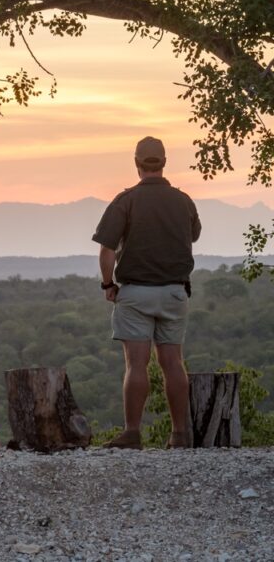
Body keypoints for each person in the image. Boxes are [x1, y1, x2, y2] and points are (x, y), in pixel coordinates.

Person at [93, 136, 201, 449]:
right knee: (173, 363)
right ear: (164, 162)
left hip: (136, 293)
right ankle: (179, 434)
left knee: (136, 365)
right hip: (174, 293)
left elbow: (107, 249)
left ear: (137, 163)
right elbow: (193, 235)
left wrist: (108, 284)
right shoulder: (183, 201)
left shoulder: (125, 200)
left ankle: (132, 433)